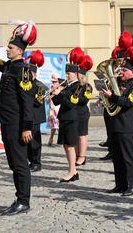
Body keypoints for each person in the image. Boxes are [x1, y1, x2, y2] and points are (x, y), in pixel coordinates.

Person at [0, 20, 36, 215]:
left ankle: (23, 201)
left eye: (10, 48)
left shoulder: (23, 70)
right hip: (6, 122)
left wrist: (27, 127)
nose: (7, 50)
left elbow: (27, 101)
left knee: (20, 164)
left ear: (20, 50)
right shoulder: (10, 66)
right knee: (13, 163)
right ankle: (19, 197)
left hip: (18, 124)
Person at [102, 42, 133, 196]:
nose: (121, 72)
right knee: (117, 158)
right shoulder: (120, 84)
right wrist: (106, 99)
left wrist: (112, 97)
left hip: (126, 126)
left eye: (124, 70)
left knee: (128, 158)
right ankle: (120, 185)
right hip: (114, 124)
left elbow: (129, 102)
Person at [99, 31, 132, 160]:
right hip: (111, 101)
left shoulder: (128, 71)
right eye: (117, 61)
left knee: (117, 130)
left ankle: (116, 152)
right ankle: (111, 150)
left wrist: (119, 76)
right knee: (110, 128)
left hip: (120, 103)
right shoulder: (115, 70)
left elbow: (126, 88)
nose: (118, 63)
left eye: (120, 60)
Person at [52, 47, 83, 182]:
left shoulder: (78, 87)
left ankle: (71, 171)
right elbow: (57, 101)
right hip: (64, 118)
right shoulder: (68, 86)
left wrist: (62, 93)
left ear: (76, 74)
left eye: (69, 73)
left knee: (70, 146)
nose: (67, 75)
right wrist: (55, 91)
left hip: (72, 119)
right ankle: (73, 171)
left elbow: (71, 103)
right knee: (65, 145)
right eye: (66, 73)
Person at [26, 50, 47, 172]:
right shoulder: (24, 84)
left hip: (35, 116)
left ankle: (36, 162)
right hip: (27, 116)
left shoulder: (40, 86)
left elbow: (38, 101)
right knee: (27, 141)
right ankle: (30, 161)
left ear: (34, 74)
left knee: (34, 141)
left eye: (30, 73)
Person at [75, 54, 93, 166]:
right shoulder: (74, 85)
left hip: (82, 112)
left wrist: (73, 98)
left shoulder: (87, 87)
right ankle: (77, 155)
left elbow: (84, 100)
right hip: (73, 112)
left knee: (82, 135)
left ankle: (82, 157)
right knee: (75, 135)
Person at [47, 73, 61, 146]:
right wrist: (52, 92)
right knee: (53, 125)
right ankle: (51, 139)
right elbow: (47, 100)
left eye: (55, 82)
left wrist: (57, 91)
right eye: (52, 82)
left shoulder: (61, 89)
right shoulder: (51, 88)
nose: (53, 83)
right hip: (52, 108)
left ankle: (61, 140)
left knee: (58, 125)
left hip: (58, 108)